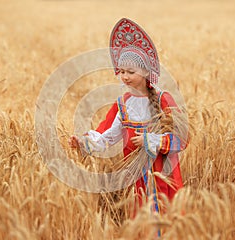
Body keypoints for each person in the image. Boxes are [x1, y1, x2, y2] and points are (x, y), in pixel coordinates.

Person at [69, 18, 188, 217]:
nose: (124, 77)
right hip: (137, 177)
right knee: (142, 217)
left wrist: (151, 140)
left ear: (146, 72)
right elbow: (109, 136)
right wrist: (85, 143)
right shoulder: (123, 103)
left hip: (163, 174)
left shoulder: (163, 99)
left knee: (166, 217)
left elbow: (182, 139)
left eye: (130, 72)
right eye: (121, 71)